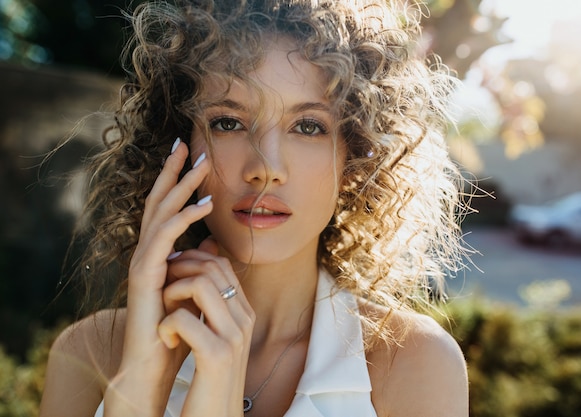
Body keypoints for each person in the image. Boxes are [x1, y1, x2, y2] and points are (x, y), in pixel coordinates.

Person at [40, 0, 469, 416]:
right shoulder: (90, 351)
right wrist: (138, 389)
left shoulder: (415, 364)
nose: (266, 169)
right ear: (179, 145)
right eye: (229, 122)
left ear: (356, 159)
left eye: (308, 127)